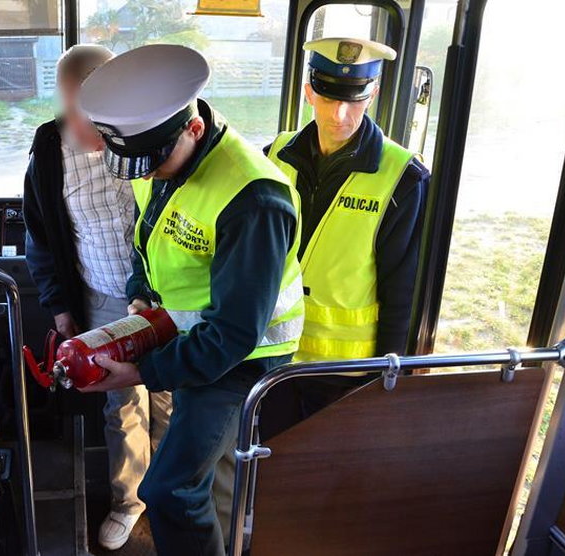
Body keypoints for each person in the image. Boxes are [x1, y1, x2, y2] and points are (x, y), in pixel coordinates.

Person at [77, 44, 305, 556]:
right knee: (206, 479)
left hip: (244, 357)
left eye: (152, 165)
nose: (143, 176)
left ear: (194, 127)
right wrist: (141, 294)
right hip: (191, 336)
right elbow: (147, 237)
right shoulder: (156, 159)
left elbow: (234, 334)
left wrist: (142, 373)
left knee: (169, 490)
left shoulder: (254, 198)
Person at [22, 44, 172, 551]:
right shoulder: (48, 153)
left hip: (166, 294)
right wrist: (62, 307)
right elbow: (40, 237)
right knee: (121, 405)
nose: (78, 123)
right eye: (69, 110)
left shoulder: (152, 133)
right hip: (101, 295)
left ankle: (171, 494)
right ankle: (129, 501)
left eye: (87, 111)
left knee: (172, 397)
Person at [266, 37, 430, 411]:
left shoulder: (403, 178)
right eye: (328, 98)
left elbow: (402, 294)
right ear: (309, 92)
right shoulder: (275, 155)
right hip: (274, 357)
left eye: (353, 100)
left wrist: (386, 381)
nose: (340, 115)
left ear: (371, 96)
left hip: (347, 375)